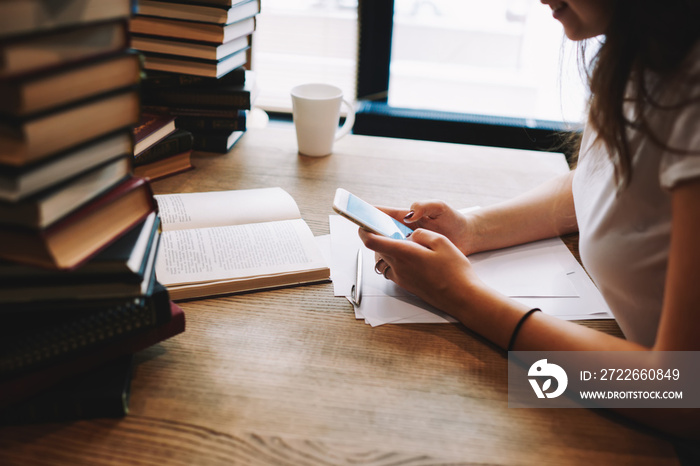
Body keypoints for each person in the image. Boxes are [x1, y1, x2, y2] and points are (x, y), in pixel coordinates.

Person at [359, 0, 700, 438]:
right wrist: (473, 228)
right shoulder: (640, 54)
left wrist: (460, 294)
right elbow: (606, 180)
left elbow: (679, 393)